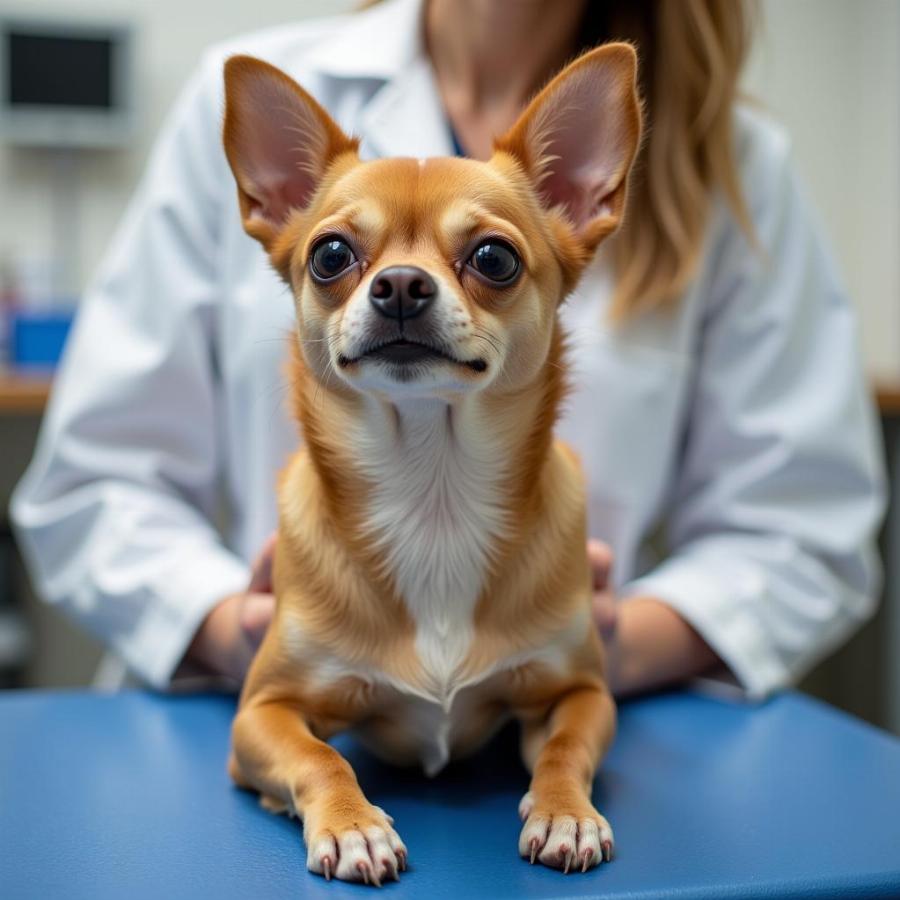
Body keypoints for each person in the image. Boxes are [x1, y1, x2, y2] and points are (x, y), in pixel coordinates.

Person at [11, 0, 886, 699]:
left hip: (550, 744)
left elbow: (803, 526)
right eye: (339, 261)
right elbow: (96, 479)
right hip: (273, 720)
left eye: (494, 262)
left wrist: (594, 647)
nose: (402, 288)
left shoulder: (732, 163)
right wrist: (241, 626)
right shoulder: (254, 95)